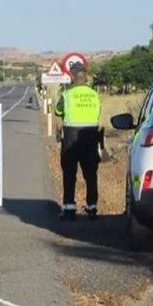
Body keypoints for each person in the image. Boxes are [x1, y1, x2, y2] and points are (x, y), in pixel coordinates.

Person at [54, 62, 101, 221]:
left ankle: (69, 209)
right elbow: (98, 112)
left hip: (71, 136)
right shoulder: (94, 94)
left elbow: (58, 110)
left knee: (69, 172)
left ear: (72, 76)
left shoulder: (67, 94)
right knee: (90, 173)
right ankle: (92, 207)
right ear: (85, 76)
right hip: (90, 135)